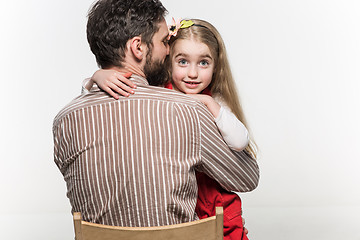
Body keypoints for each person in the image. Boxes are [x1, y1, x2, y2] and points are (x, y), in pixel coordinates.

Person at [53, 0, 259, 231]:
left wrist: (94, 79)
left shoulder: (64, 120)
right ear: (138, 47)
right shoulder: (187, 111)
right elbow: (247, 178)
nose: (168, 50)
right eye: (164, 42)